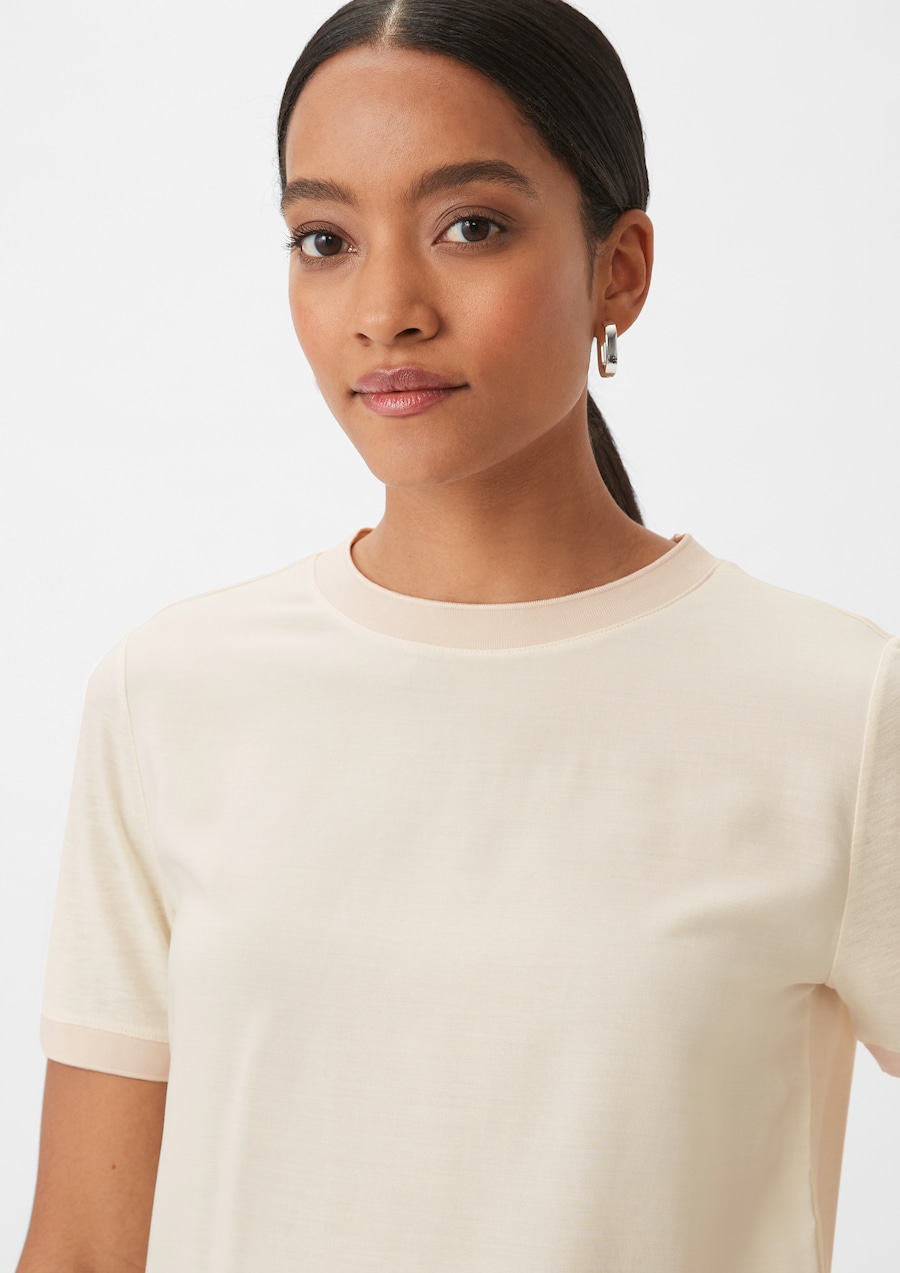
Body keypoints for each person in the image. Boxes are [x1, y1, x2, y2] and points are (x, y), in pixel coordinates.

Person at [16, 0, 900, 1269]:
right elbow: (86, 1247)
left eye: (469, 226)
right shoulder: (171, 694)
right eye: (325, 239)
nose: (386, 308)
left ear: (619, 269)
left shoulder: (837, 709)